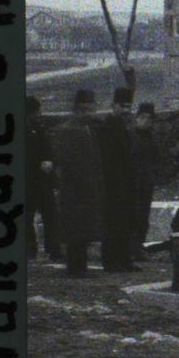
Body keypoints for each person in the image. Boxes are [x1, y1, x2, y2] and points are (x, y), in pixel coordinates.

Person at [51, 90, 107, 276]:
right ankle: (76, 268)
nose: (93, 114)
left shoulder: (86, 129)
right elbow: (69, 162)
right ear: (80, 110)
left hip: (86, 187)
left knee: (82, 230)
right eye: (89, 110)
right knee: (76, 230)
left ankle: (80, 266)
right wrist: (85, 184)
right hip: (76, 189)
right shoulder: (69, 130)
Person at [97, 87, 139, 272]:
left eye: (128, 107)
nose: (126, 110)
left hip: (125, 181)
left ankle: (125, 259)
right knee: (112, 223)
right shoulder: (106, 126)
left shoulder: (123, 124)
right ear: (114, 105)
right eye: (123, 106)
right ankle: (111, 261)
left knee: (126, 222)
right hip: (112, 182)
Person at [27, 95, 62, 260]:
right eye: (37, 111)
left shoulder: (39, 128)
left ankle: (52, 248)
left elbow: (49, 150)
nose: (39, 114)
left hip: (41, 181)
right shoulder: (29, 130)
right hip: (31, 181)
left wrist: (50, 162)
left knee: (50, 215)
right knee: (31, 217)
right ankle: (33, 249)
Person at [130, 101, 161, 260]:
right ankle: (132, 247)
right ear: (137, 118)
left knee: (143, 215)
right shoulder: (131, 136)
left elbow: (157, 158)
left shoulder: (151, 137)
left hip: (146, 181)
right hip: (133, 181)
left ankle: (139, 246)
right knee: (133, 215)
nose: (146, 121)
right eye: (143, 118)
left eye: (149, 119)